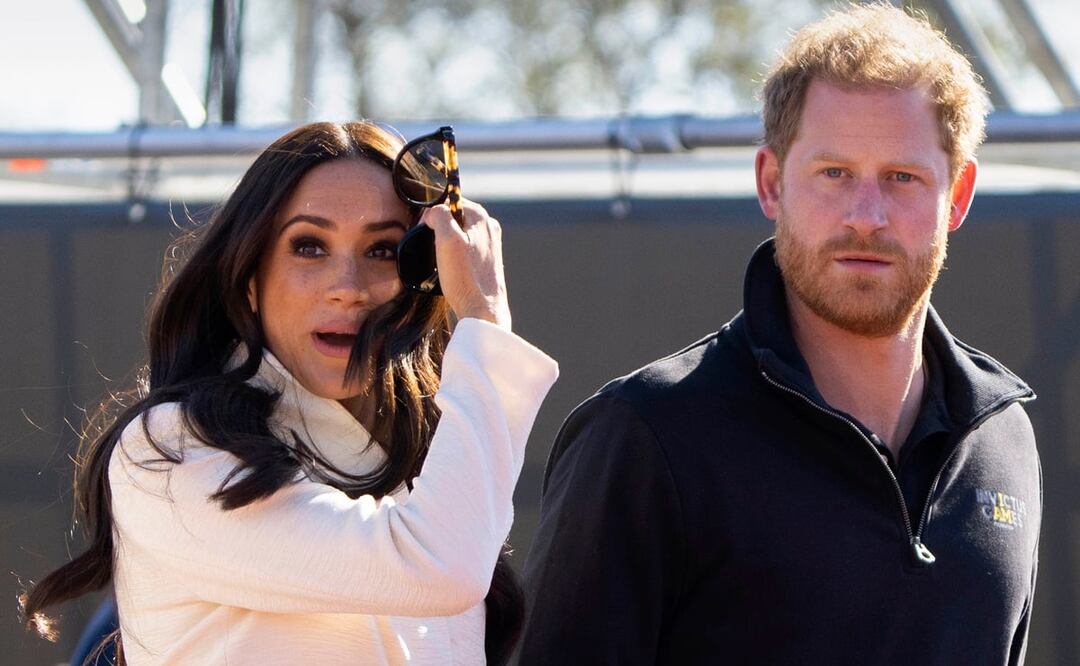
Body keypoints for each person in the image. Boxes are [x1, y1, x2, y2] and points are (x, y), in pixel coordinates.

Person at [520, 4, 1040, 664]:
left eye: (902, 177)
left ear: (958, 195)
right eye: (834, 173)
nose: (866, 216)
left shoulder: (1003, 440)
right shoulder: (647, 436)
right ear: (771, 183)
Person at [22, 121, 558, 665]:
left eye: (382, 250)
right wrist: (485, 320)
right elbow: (437, 566)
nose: (347, 287)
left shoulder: (436, 469)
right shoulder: (172, 449)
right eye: (309, 246)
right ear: (249, 279)